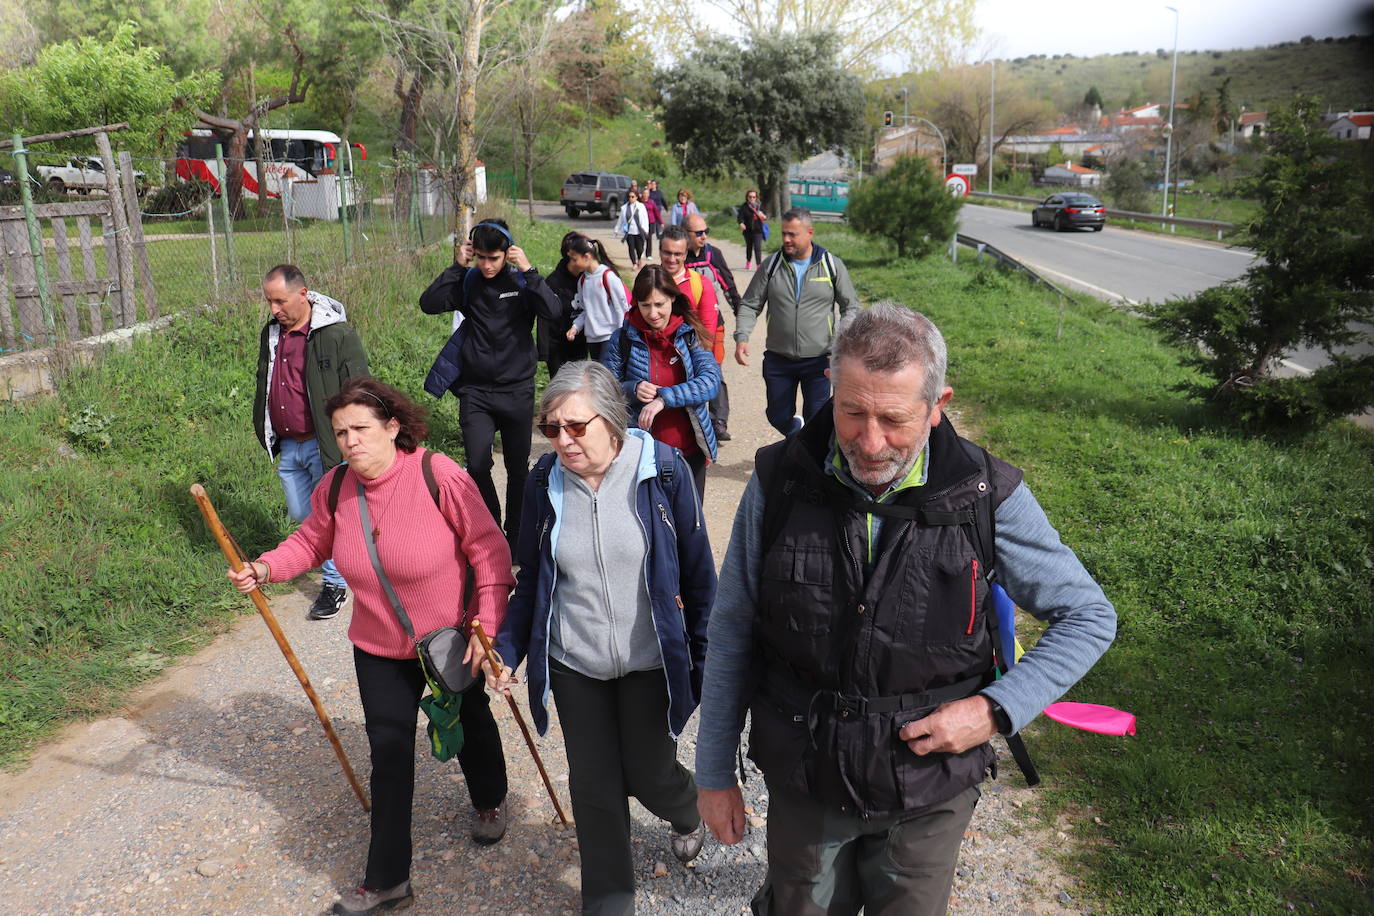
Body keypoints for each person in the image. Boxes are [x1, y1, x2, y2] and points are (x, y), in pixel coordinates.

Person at [694, 304, 1118, 916]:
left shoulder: (984, 495)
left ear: (937, 403)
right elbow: (732, 625)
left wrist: (996, 711)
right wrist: (713, 772)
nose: (870, 442)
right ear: (831, 389)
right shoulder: (781, 479)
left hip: (929, 788)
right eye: (851, 412)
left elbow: (1087, 616)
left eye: (893, 420)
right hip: (807, 775)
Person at [228, 378, 517, 916]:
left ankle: (489, 800)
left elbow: (488, 550)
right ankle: (388, 881)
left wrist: (488, 621)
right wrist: (265, 568)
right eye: (341, 432)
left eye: (361, 428)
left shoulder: (439, 475)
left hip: (450, 636)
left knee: (472, 721)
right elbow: (312, 541)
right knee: (388, 756)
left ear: (392, 427)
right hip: (379, 646)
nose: (351, 441)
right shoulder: (335, 487)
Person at [488, 361, 716, 916]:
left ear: (611, 422)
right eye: (551, 428)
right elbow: (531, 581)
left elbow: (698, 575)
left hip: (650, 661)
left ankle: (685, 808)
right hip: (575, 662)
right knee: (593, 789)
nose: (562, 441)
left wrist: (708, 663)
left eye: (575, 427)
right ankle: (609, 902)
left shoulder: (662, 472)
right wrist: (507, 650)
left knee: (648, 772)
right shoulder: (544, 482)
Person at [419, 218, 562, 550]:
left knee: (517, 468)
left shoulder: (522, 283)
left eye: (493, 258)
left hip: (517, 391)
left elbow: (553, 311)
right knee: (478, 464)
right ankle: (493, 530)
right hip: (476, 393)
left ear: (507, 253)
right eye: (480, 257)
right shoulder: (470, 280)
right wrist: (457, 266)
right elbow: (429, 304)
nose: (486, 265)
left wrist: (529, 270)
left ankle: (516, 537)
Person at [254, 264, 369, 621]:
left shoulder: (336, 334)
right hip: (289, 445)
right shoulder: (272, 334)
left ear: (303, 295)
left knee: (325, 514)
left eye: (280, 301)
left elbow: (360, 388)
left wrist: (353, 437)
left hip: (325, 446)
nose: (274, 309)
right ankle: (351, 557)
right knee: (303, 515)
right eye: (269, 302)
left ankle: (335, 583)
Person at [734, 207, 860, 436]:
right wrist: (742, 337)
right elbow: (750, 304)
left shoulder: (831, 265)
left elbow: (850, 306)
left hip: (819, 360)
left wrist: (841, 344)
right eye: (784, 233)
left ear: (810, 233)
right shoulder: (771, 266)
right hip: (778, 359)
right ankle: (796, 434)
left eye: (792, 234)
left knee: (817, 420)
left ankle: (806, 465)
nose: (786, 239)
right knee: (777, 416)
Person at [603, 265, 721, 497]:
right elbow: (605, 390)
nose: (653, 313)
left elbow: (710, 381)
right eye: (645, 305)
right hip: (641, 455)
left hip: (688, 453)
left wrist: (664, 398)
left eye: (660, 304)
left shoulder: (689, 335)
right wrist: (632, 388)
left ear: (672, 299)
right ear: (636, 303)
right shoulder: (621, 339)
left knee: (690, 528)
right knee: (651, 528)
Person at [683, 213, 742, 442]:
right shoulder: (679, 255)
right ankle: (692, 420)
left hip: (713, 325)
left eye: (706, 231)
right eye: (698, 233)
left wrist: (740, 313)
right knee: (688, 373)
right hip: (685, 327)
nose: (704, 236)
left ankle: (718, 421)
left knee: (714, 371)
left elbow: (728, 285)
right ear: (686, 234)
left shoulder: (713, 254)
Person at [566, 235, 629, 362]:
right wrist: (575, 327)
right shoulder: (582, 281)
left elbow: (622, 309)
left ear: (587, 257)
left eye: (574, 259)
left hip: (610, 337)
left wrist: (621, 336)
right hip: (592, 339)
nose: (572, 264)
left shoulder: (608, 277)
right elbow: (585, 310)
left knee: (605, 377)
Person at [656, 226, 718, 346]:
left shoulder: (701, 284)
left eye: (678, 254)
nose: (672, 259)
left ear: (685, 255)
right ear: (660, 251)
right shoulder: (649, 280)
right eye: (667, 253)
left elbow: (707, 331)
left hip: (689, 356)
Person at [541, 232, 591, 379]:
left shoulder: (590, 277)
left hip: (581, 342)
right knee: (559, 388)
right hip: (557, 345)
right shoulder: (553, 282)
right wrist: (544, 351)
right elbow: (544, 317)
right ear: (572, 256)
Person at [615, 189, 651, 269]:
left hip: (639, 231)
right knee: (631, 248)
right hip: (629, 232)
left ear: (636, 197)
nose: (631, 198)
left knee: (639, 248)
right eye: (629, 197)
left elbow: (645, 219)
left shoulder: (641, 206)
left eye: (632, 196)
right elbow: (620, 220)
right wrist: (616, 229)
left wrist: (646, 229)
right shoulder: (624, 208)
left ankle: (639, 259)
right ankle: (634, 263)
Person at [736, 188, 768, 270]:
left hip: (758, 231)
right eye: (750, 197)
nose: (752, 199)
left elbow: (765, 217)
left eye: (754, 197)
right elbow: (740, 217)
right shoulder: (744, 207)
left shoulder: (760, 206)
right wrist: (741, 223)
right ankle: (748, 261)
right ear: (747, 197)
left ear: (756, 197)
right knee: (749, 247)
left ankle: (758, 265)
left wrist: (763, 216)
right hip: (748, 231)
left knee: (758, 247)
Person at [641, 190, 662, 259]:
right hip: (642, 222)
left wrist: (660, 222)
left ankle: (649, 254)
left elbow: (656, 213)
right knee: (641, 238)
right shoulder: (640, 202)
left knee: (649, 238)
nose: (645, 194)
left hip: (650, 222)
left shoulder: (651, 202)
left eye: (647, 193)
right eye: (644, 193)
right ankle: (641, 252)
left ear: (649, 194)